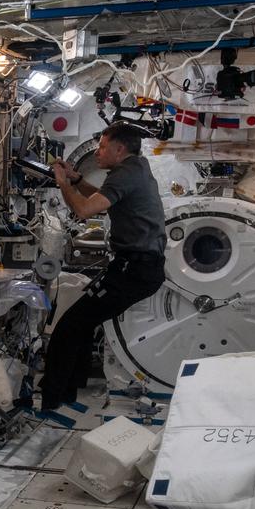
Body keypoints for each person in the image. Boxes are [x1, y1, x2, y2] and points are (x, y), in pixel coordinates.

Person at [41, 122, 166, 410]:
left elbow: (84, 209)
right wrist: (75, 179)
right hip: (138, 268)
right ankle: (68, 394)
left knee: (68, 327)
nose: (97, 152)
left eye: (102, 147)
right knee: (81, 324)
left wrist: (62, 183)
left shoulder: (126, 173)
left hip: (134, 271)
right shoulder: (135, 168)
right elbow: (103, 198)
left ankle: (51, 401)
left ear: (119, 149)